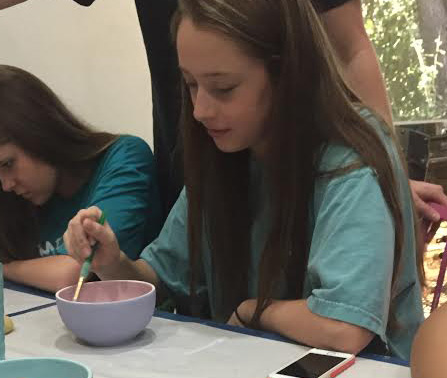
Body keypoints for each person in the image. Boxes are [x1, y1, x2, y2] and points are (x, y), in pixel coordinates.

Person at [64, 0, 424, 360]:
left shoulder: (351, 158)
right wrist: (112, 263)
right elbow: (158, 278)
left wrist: (255, 310)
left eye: (223, 88)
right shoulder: (224, 155)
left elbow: (344, 327)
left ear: (286, 75)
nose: (200, 110)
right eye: (190, 84)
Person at [0, 0, 446, 220]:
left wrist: (384, 171)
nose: (202, 104)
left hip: (309, 186)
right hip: (201, 181)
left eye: (220, 86)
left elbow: (351, 50)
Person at [0, 64, 162, 293]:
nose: (5, 184)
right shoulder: (5, 195)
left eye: (8, 164)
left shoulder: (123, 157)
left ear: (39, 132)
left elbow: (71, 273)